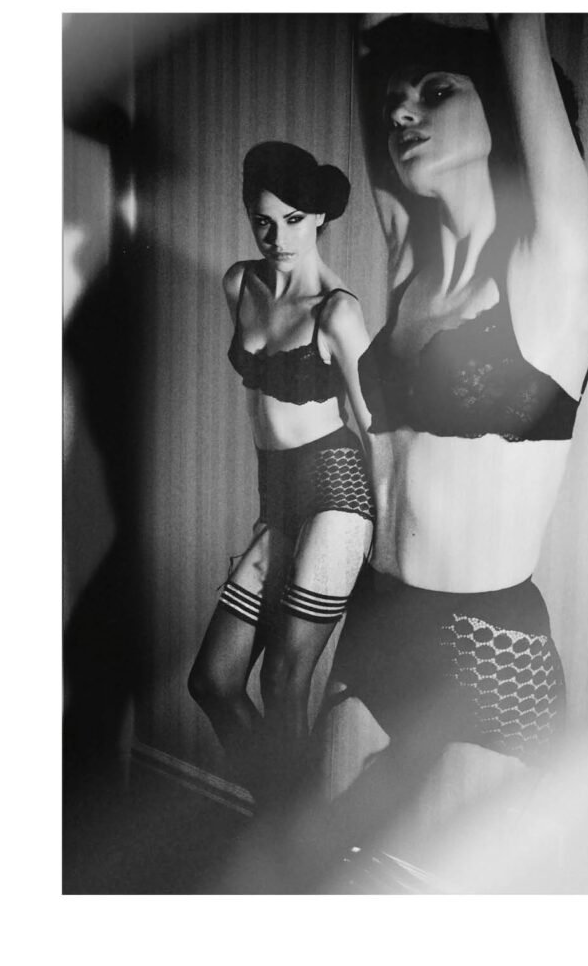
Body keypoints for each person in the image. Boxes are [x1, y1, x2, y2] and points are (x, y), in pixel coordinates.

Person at [319, 14, 588, 880]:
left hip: (483, 653)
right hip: (376, 618)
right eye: (397, 98)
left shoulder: (555, 274)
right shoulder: (413, 266)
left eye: (437, 90)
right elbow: (366, 40)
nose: (402, 111)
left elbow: (519, 21)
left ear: (508, 117)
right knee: (329, 877)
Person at [188, 141, 375, 803]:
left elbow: (374, 430)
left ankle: (289, 845)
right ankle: (286, 819)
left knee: (283, 682)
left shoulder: (338, 311)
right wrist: (269, 519)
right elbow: (261, 418)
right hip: (280, 499)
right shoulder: (240, 284)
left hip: (338, 493)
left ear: (319, 215)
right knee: (213, 681)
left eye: (293, 219)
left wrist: (389, 548)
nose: (277, 237)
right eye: (262, 220)